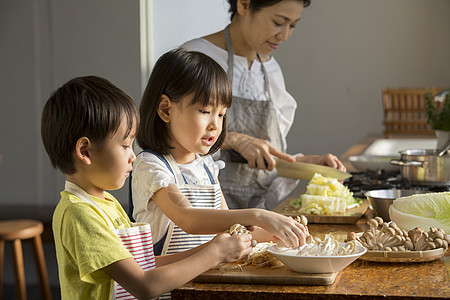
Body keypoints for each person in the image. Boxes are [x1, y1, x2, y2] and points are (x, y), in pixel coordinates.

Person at [41, 75, 254, 300]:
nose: (133, 155)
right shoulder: (79, 213)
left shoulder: (105, 203)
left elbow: (145, 266)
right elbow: (144, 285)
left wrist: (212, 248)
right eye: (124, 145)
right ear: (85, 151)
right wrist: (215, 253)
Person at [132, 49, 308, 257]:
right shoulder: (151, 166)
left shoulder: (206, 165)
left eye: (222, 114)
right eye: (205, 111)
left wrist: (273, 234)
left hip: (206, 283)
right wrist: (259, 216)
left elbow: (229, 224)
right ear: (166, 110)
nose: (215, 125)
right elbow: (189, 219)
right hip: (170, 288)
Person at [181, 0, 346, 210]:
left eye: (293, 25)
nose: (285, 35)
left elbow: (268, 163)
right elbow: (162, 139)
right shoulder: (195, 58)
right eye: (278, 22)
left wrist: (303, 165)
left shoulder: (271, 72)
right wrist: (233, 139)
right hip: (200, 213)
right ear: (244, 5)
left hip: (257, 218)